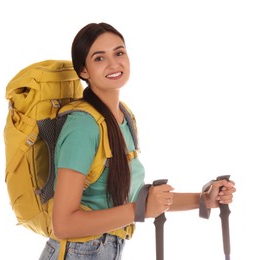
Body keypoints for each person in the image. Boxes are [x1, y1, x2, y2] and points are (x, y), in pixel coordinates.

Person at [39, 22, 236, 260]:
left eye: (119, 52)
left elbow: (133, 199)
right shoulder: (83, 126)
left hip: (104, 249)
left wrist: (204, 200)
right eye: (99, 58)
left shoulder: (123, 117)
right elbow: (63, 225)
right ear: (84, 71)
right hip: (78, 252)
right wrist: (137, 211)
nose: (114, 64)